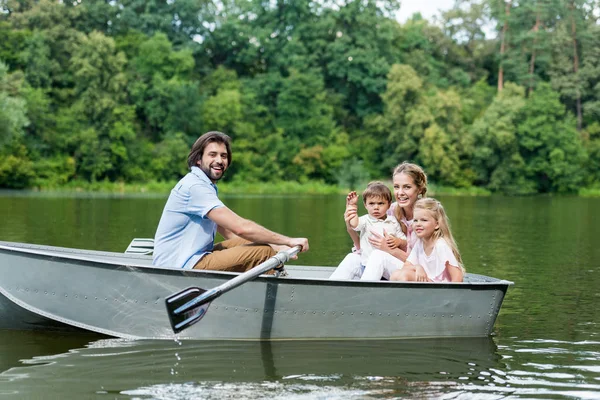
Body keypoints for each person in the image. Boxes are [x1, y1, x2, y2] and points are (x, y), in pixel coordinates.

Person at [152, 131, 309, 271]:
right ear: (198, 160)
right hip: (177, 265)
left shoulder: (203, 184)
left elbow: (230, 232)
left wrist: (277, 246)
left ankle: (269, 278)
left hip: (191, 257)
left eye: (223, 156)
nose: (219, 160)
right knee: (263, 252)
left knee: (259, 245)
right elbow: (241, 227)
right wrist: (288, 241)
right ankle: (276, 292)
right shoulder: (195, 187)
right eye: (212, 155)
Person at [330, 162, 428, 280]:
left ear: (419, 189)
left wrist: (388, 249)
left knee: (378, 255)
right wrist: (350, 225)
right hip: (382, 264)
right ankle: (328, 292)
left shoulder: (426, 217)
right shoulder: (390, 209)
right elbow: (363, 246)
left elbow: (423, 264)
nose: (400, 192)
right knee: (352, 258)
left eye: (407, 187)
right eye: (396, 187)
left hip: (412, 271)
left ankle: (364, 294)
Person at [328, 182, 405, 280]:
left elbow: (403, 240)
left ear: (389, 204)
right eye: (371, 203)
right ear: (365, 205)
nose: (376, 207)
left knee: (377, 255)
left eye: (381, 203)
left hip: (387, 269)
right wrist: (352, 206)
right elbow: (354, 224)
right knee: (351, 257)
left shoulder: (392, 221)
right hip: (366, 266)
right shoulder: (365, 220)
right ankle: (331, 288)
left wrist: (398, 241)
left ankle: (364, 291)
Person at [390, 198, 464, 282]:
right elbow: (406, 267)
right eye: (415, 220)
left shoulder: (440, 245)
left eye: (424, 220)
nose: (418, 224)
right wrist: (417, 267)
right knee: (395, 273)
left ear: (436, 224)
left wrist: (450, 294)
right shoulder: (420, 243)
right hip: (428, 284)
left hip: (439, 288)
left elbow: (457, 276)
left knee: (405, 275)